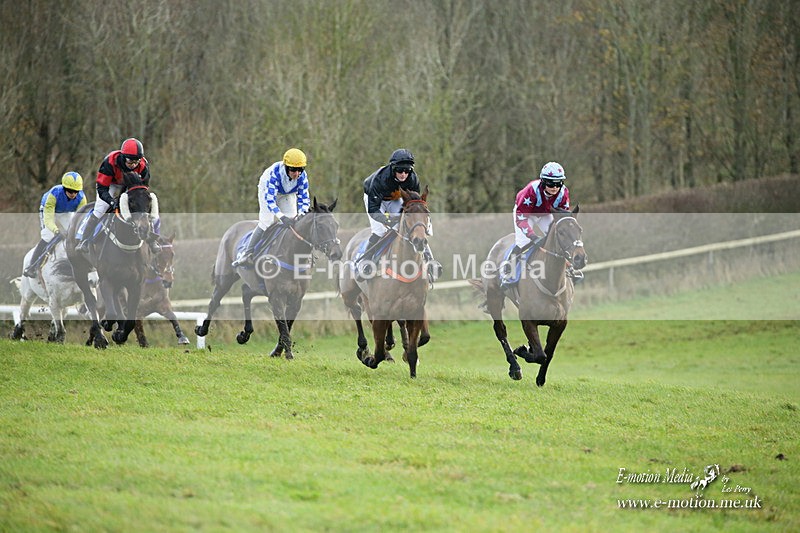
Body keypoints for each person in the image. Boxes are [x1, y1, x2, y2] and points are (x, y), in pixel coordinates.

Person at [357, 148, 441, 281]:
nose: (403, 174)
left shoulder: (413, 179)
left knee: (411, 227)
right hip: (376, 200)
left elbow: (415, 205)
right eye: (400, 170)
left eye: (407, 171)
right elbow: (373, 210)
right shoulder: (380, 180)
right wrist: (388, 220)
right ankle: (366, 263)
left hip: (395, 198)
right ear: (393, 168)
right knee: (379, 231)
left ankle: (430, 260)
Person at [234, 148, 311, 267]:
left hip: (287, 193)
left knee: (293, 221)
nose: (296, 174)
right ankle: (247, 253)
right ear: (286, 167)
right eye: (293, 170)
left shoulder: (303, 177)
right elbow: (270, 201)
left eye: (300, 169)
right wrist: (281, 217)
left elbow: (304, 200)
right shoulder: (275, 174)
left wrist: (301, 214)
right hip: (267, 190)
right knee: (267, 222)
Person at [499, 161, 571, 288]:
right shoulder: (531, 191)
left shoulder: (563, 193)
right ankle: (508, 269)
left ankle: (569, 267)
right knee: (524, 242)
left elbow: (563, 218)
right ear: (543, 182)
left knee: (559, 238)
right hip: (525, 215)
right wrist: (533, 236)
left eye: (558, 183)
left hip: (545, 214)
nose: (555, 187)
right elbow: (521, 219)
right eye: (551, 183)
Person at [76, 138, 155, 253]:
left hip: (130, 186)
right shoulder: (110, 162)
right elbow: (102, 188)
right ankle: (84, 240)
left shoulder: (143, 165)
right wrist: (111, 201)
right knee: (100, 209)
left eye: (136, 161)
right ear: (123, 157)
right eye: (130, 161)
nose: (133, 165)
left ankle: (152, 241)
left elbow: (143, 188)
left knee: (144, 208)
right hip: (110, 184)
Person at [23, 172, 87, 277]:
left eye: (76, 191)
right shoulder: (54, 194)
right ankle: (32, 266)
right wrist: (56, 230)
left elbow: (79, 219)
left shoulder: (82, 198)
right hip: (49, 211)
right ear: (64, 188)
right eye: (70, 191)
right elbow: (48, 218)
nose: (73, 194)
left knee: (73, 235)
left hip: (65, 213)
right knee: (48, 236)